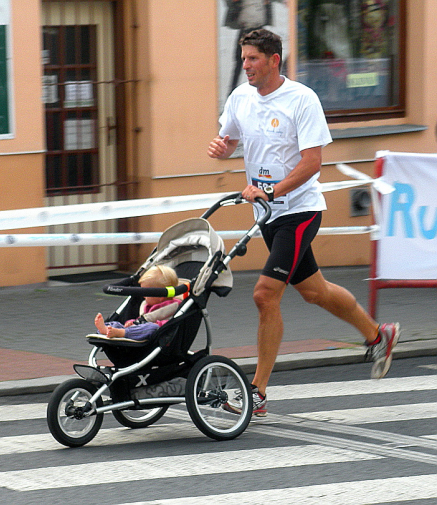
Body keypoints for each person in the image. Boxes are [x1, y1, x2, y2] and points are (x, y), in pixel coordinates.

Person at [207, 28, 400, 417]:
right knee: (314, 291)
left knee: (265, 294)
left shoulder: (301, 99)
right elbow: (230, 138)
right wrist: (222, 147)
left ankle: (257, 391)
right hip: (266, 213)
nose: (245, 66)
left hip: (299, 210)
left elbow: (313, 163)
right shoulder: (241, 97)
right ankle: (379, 335)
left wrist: (273, 191)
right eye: (243, 59)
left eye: (252, 60)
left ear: (274, 60)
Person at [94, 265, 181, 341]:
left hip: (157, 337)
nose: (143, 296)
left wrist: (157, 324)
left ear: (160, 296)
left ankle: (120, 332)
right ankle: (106, 329)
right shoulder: (147, 306)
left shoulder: (173, 307)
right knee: (117, 324)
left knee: (152, 327)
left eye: (146, 294)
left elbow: (171, 325)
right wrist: (131, 322)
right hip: (138, 331)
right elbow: (140, 320)